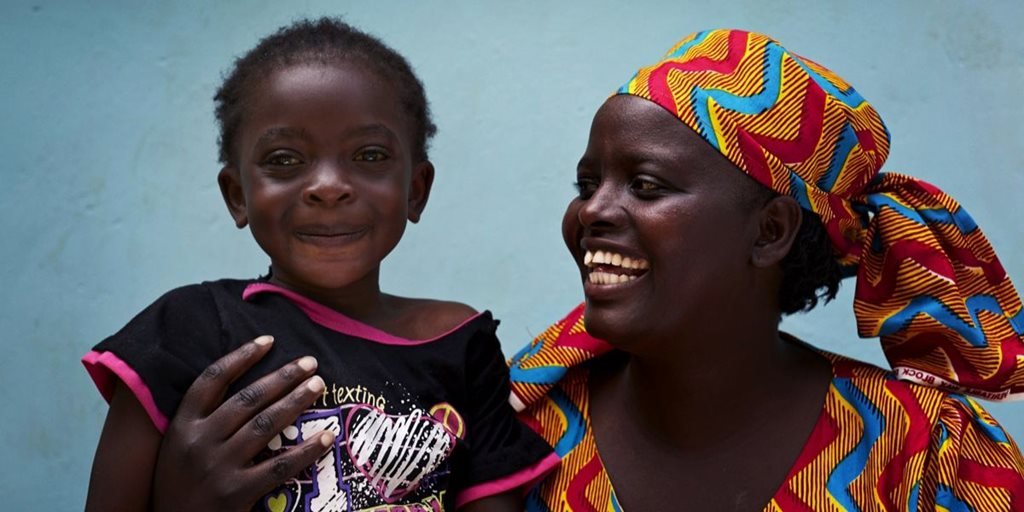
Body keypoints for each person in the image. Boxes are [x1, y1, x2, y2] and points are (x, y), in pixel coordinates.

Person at [146, 29, 1024, 510]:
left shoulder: (929, 456)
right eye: (586, 183)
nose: (592, 212)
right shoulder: (506, 432)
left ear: (769, 230)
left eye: (646, 185)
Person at [82, 18, 556, 512]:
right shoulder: (188, 329)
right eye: (285, 160)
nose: (328, 187)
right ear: (237, 195)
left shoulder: (459, 343)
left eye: (369, 155)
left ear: (415, 191)